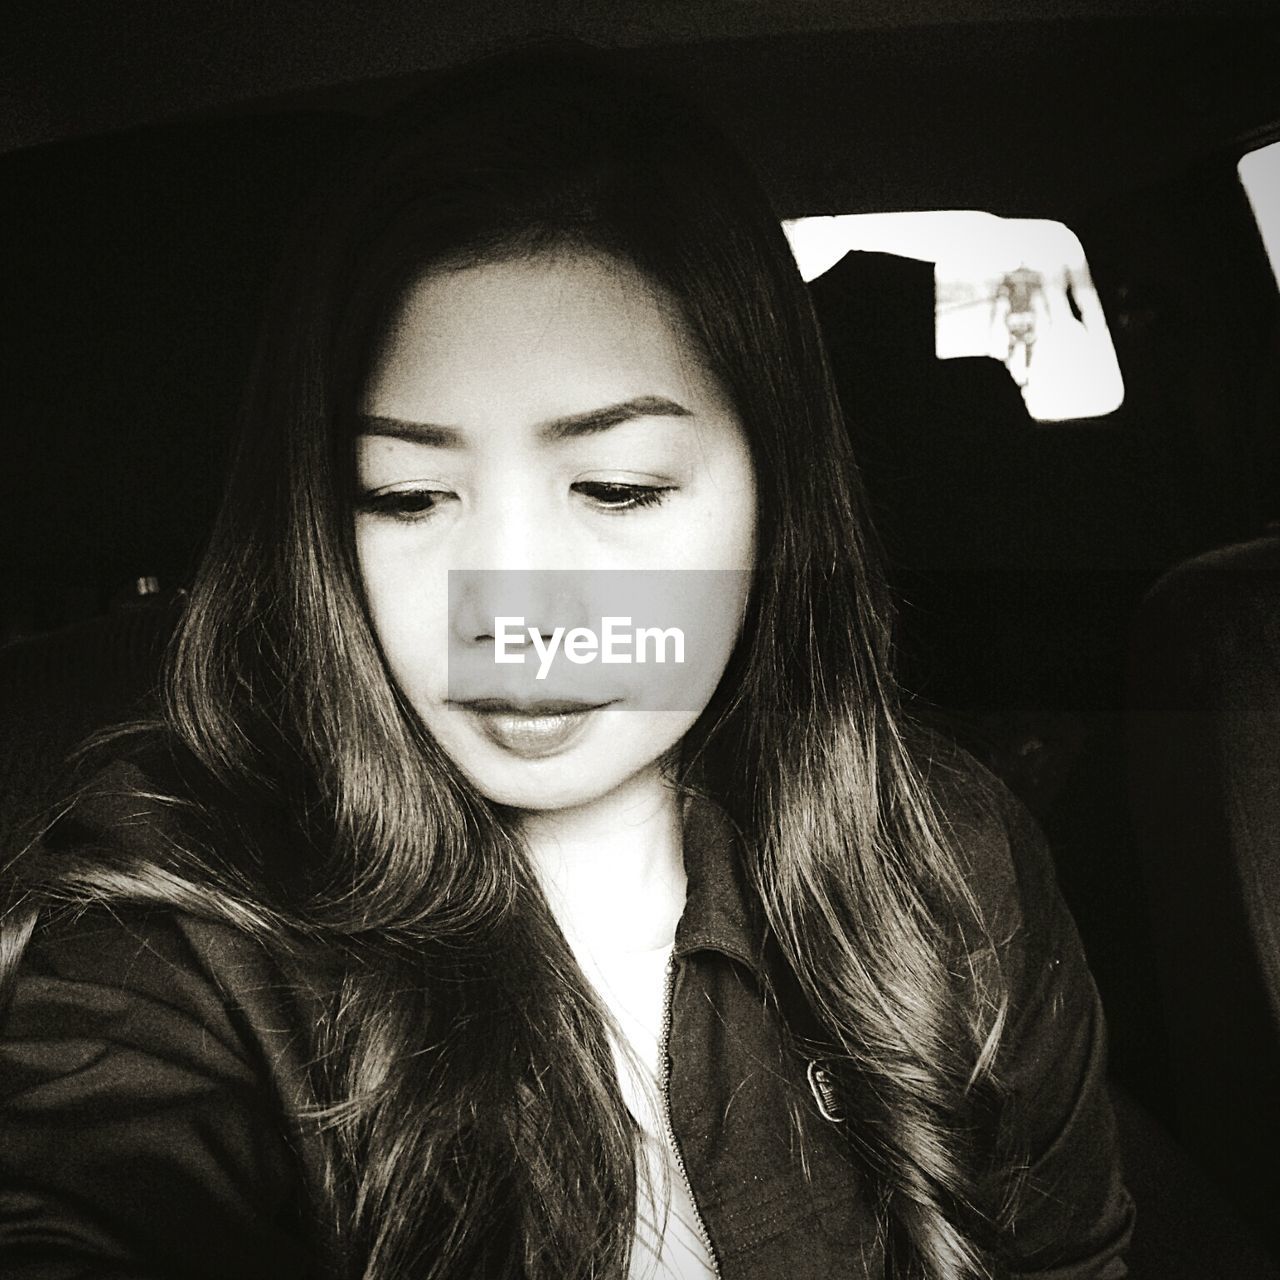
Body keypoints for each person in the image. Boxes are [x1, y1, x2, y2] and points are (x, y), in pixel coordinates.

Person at [0, 43, 1134, 1280]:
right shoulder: (182, 931)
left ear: (774, 494)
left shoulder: (942, 858)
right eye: (407, 494)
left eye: (616, 486)